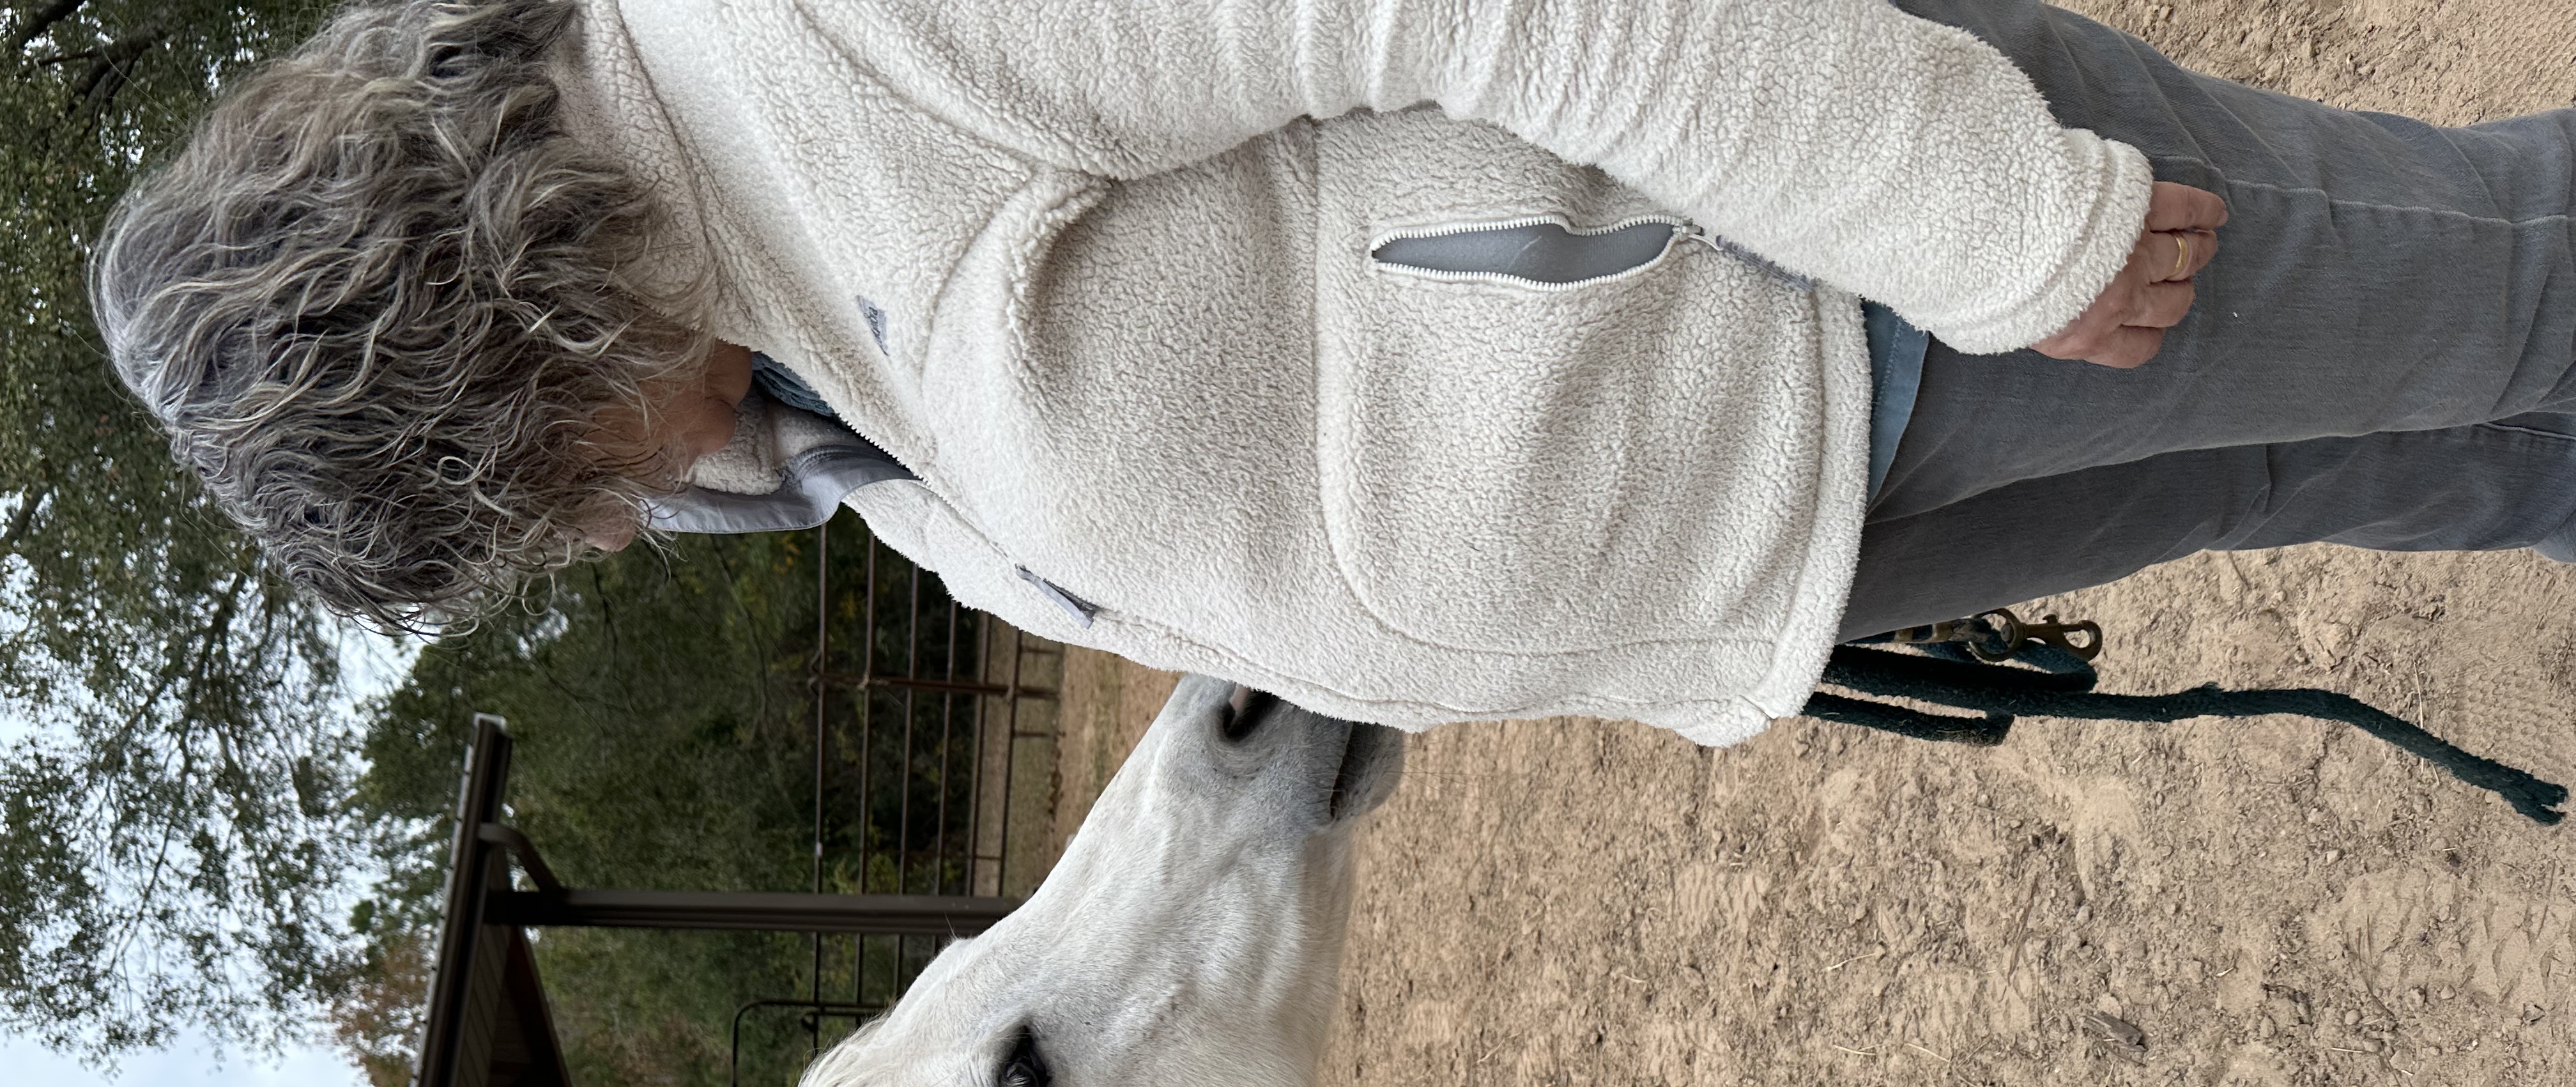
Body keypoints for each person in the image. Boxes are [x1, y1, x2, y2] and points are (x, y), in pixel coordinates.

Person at [91, 0, 2576, 751]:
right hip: (1805, 514)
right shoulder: (773, 364)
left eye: (550, 482)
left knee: (2519, 289)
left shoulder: (798, 46)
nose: (608, 522)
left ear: (501, 339)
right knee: (2431, 463)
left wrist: (1981, 218)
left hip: (1864, 287)